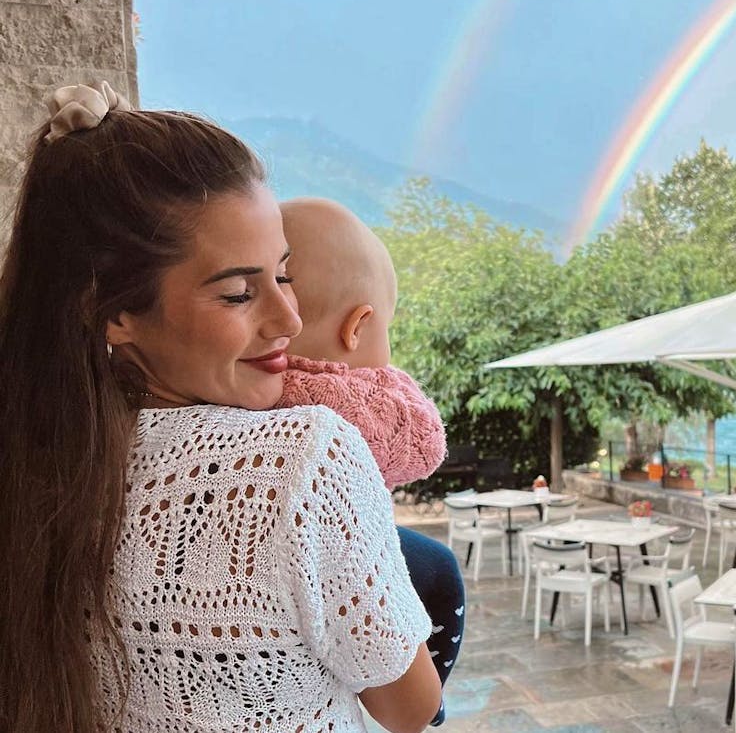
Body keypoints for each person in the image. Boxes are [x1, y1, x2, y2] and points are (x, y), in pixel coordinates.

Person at [0, 82, 440, 733]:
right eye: (238, 293)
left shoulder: (32, 465)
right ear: (112, 311)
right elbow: (413, 708)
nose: (288, 318)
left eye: (284, 275)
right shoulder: (303, 460)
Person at [276, 197, 464, 725]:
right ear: (357, 328)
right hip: (332, 558)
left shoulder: (232, 382)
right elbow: (423, 444)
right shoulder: (335, 425)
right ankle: (435, 701)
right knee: (436, 567)